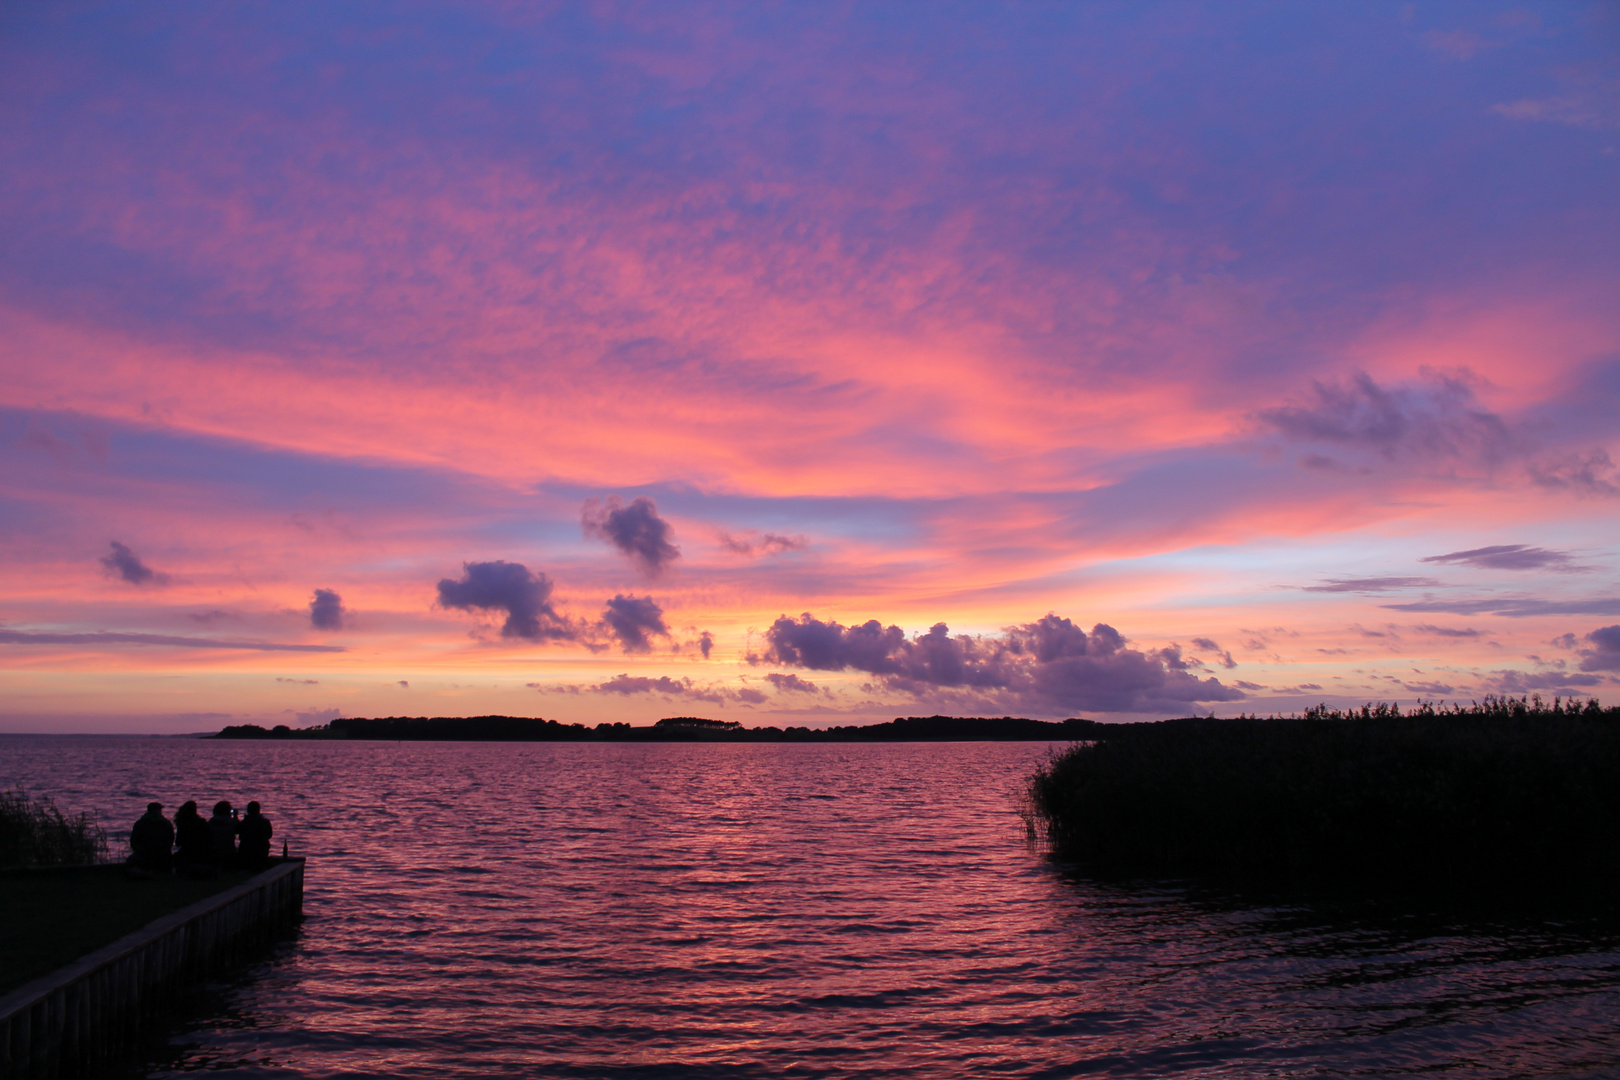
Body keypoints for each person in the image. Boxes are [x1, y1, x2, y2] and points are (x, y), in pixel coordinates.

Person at [128, 801, 173, 873]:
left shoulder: (140, 823)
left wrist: (139, 850)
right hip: (162, 854)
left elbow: (133, 841)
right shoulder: (166, 823)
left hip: (143, 853)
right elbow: (170, 840)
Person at [174, 800, 213, 876]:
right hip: (200, 851)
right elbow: (209, 839)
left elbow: (178, 842)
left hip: (187, 851)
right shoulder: (201, 822)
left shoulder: (182, 823)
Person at [238, 800, 274, 868]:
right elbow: (269, 835)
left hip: (245, 852)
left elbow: (237, 831)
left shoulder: (243, 823)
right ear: (258, 810)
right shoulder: (265, 822)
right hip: (261, 852)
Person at [208, 800, 239, 868]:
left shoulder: (210, 823)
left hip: (214, 852)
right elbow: (239, 829)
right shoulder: (231, 822)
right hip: (229, 852)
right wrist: (235, 816)